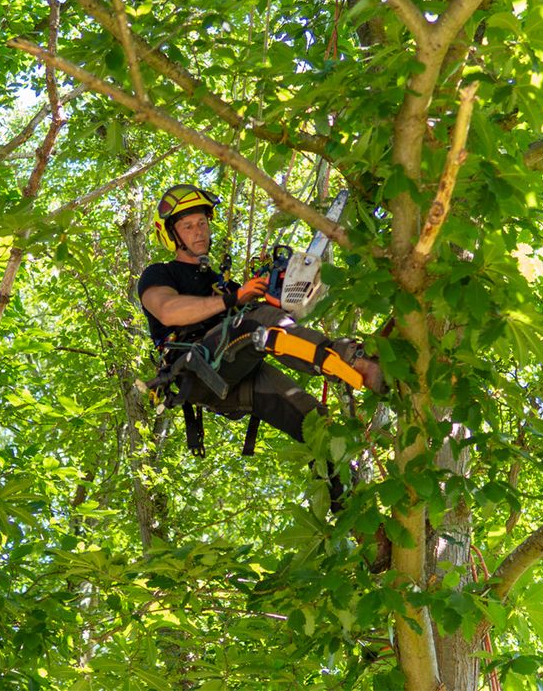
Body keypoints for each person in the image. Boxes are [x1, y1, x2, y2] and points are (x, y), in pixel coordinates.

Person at [137, 184, 387, 509]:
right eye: (188, 226)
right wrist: (234, 299)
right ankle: (353, 362)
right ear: (172, 235)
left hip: (238, 373)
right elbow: (169, 310)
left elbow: (271, 319)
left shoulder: (220, 281)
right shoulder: (160, 274)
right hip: (196, 368)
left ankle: (349, 506)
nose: (199, 232)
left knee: (314, 421)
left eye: (202, 223)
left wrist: (278, 295)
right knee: (261, 322)